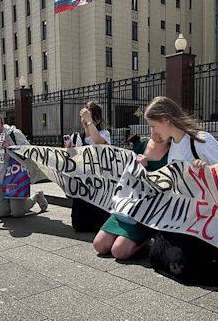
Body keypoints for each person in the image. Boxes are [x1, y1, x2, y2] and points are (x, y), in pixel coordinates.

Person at [144, 96, 218, 286]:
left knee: (179, 265)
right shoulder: (172, 145)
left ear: (166, 119)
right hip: (185, 217)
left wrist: (206, 172)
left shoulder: (200, 140)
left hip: (208, 218)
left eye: (153, 125)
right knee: (156, 256)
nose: (153, 131)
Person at [93, 129, 169, 260]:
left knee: (119, 252)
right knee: (99, 245)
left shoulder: (174, 152)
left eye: (160, 127)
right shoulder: (141, 144)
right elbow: (125, 173)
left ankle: (145, 240)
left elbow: (167, 186)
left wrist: (146, 170)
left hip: (146, 212)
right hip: (127, 206)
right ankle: (129, 239)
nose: (157, 133)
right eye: (153, 127)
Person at [0, 106, 47, 218]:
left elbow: (28, 150)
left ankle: (36, 196)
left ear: (1, 119)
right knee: (2, 213)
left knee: (17, 213)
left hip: (15, 176)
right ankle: (11, 202)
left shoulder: (13, 133)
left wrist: (10, 147)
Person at [65, 101, 111, 232]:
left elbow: (97, 143)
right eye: (83, 117)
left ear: (97, 118)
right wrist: (69, 150)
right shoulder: (76, 137)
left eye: (89, 116)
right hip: (82, 184)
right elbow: (71, 159)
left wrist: (89, 121)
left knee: (99, 224)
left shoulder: (104, 134)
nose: (84, 120)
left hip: (98, 183)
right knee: (78, 225)